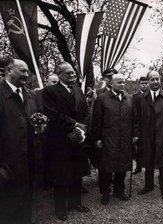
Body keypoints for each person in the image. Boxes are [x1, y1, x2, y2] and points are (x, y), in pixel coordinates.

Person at [42, 62, 90, 221]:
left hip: (78, 139)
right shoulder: (49, 91)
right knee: (62, 175)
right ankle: (60, 209)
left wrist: (81, 128)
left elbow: (85, 111)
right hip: (60, 140)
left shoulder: (78, 90)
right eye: (68, 73)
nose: (72, 75)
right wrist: (75, 125)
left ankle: (75, 203)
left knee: (77, 172)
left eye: (73, 73)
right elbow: (53, 114)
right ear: (59, 74)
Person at [0, 58, 40, 224]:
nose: (26, 74)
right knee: (8, 203)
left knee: (26, 197)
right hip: (6, 161)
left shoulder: (30, 94)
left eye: (27, 71)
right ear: (9, 71)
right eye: (22, 70)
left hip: (28, 157)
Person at [135, 70, 163, 202]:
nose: (155, 81)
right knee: (148, 161)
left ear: (160, 80)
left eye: (157, 79)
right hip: (147, 136)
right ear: (147, 81)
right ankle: (148, 185)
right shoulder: (141, 98)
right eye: (152, 79)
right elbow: (136, 119)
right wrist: (137, 135)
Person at [92, 73, 133, 205]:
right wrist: (97, 138)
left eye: (123, 82)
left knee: (122, 166)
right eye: (119, 82)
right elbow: (97, 121)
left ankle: (119, 191)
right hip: (108, 138)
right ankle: (105, 192)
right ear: (111, 84)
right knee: (106, 167)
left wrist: (134, 135)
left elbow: (134, 119)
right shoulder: (102, 99)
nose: (122, 85)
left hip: (125, 139)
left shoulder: (129, 98)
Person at [132, 76, 149, 175]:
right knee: (139, 148)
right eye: (142, 83)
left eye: (146, 83)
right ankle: (138, 166)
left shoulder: (151, 95)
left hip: (149, 126)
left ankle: (148, 167)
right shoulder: (135, 97)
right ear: (139, 84)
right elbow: (134, 114)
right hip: (139, 126)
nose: (144, 85)